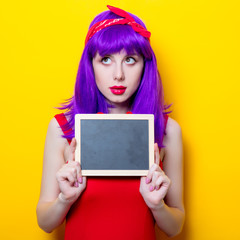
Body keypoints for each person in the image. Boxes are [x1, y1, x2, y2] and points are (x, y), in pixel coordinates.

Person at [36, 5, 185, 240]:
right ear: (90, 65)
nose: (118, 74)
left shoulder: (167, 130)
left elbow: (176, 226)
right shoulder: (62, 128)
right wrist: (65, 199)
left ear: (145, 64)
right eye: (105, 59)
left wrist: (157, 205)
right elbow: (45, 222)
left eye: (130, 59)